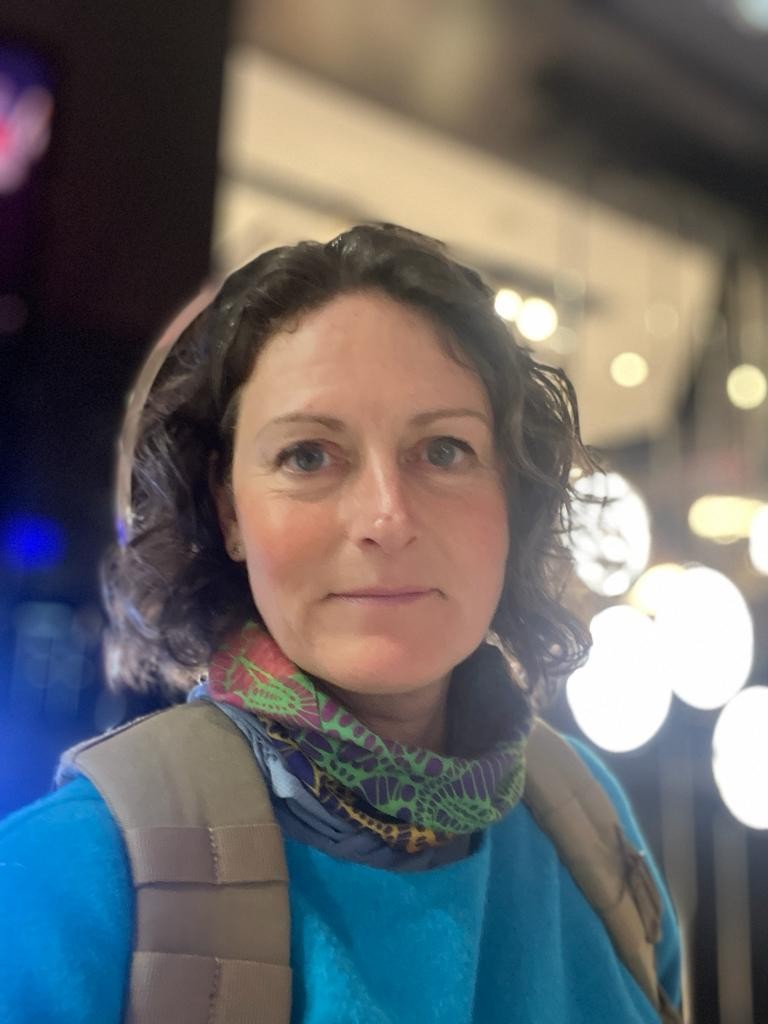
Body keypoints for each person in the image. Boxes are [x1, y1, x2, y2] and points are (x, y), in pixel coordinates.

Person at [0, 223, 681, 1023]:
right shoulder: (64, 885)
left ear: (515, 495)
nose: (387, 517)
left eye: (445, 450)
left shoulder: (590, 826)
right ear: (228, 510)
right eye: (309, 457)